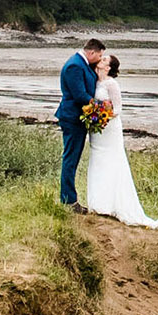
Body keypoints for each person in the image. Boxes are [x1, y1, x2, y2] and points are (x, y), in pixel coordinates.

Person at [81, 54, 158, 229]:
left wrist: (103, 116)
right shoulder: (95, 81)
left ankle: (112, 204)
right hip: (97, 130)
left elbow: (118, 108)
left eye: (105, 60)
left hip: (109, 128)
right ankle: (99, 203)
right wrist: (93, 115)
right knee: (97, 161)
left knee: (111, 160)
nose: (101, 60)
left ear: (108, 67)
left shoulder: (111, 84)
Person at [54, 38, 106, 211]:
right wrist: (101, 106)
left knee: (73, 159)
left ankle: (69, 199)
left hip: (77, 118)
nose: (100, 59)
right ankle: (68, 201)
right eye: (99, 55)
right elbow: (79, 95)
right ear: (91, 52)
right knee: (70, 158)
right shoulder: (74, 65)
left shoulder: (82, 64)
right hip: (72, 118)